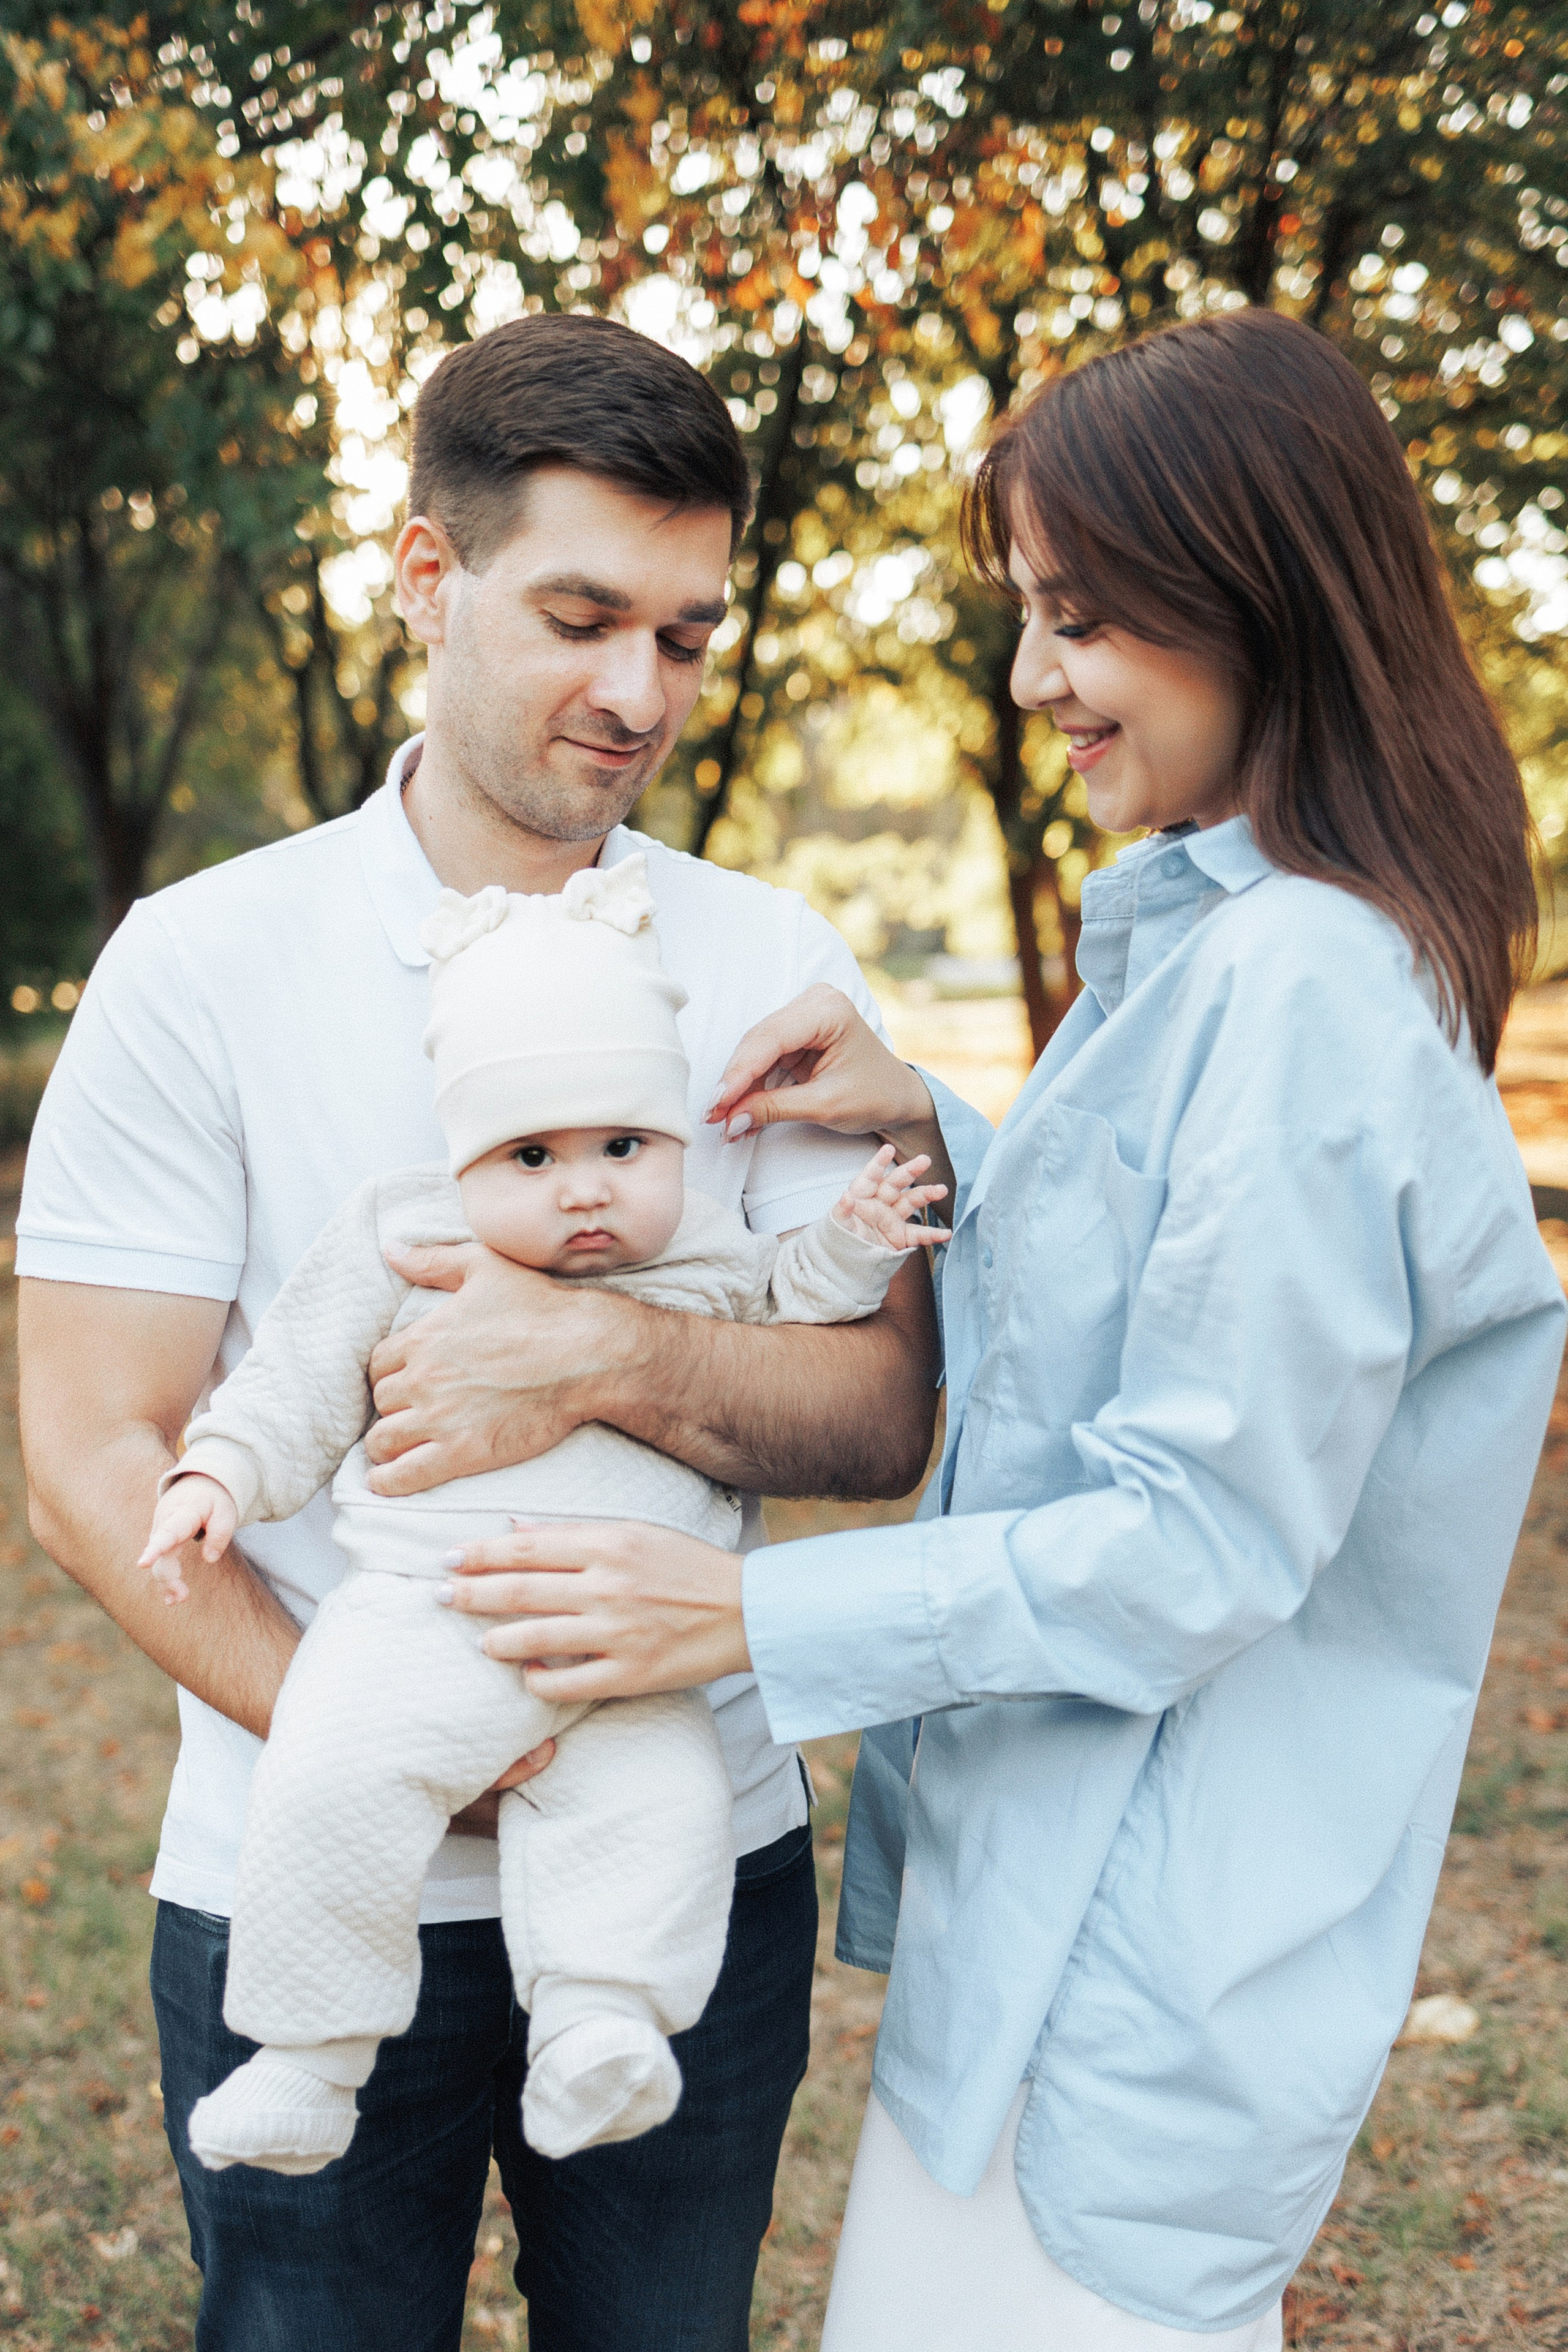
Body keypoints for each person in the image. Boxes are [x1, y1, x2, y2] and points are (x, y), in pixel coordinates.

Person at [426, 309, 1567, 2346]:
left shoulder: (1301, 986)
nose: (1036, 677)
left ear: (1264, 599)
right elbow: (1165, 1284)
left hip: (1133, 1998)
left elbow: (1199, 1537)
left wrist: (747, 1624)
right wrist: (929, 1118)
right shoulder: (1239, 945)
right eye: (1029, 615)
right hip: (1058, 1956)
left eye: (1083, 616)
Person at [17, 312, 956, 2351]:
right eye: (584, 616)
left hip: (689, 1853)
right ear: (428, 578)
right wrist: (407, 1747)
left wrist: (602, 1356)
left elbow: (881, 1407)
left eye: (688, 637)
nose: (640, 694)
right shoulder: (199, 967)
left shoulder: (766, 966)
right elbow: (103, 1459)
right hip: (312, 1855)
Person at [138, 854, 944, 2179]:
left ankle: (599, 2023)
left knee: (659, 1808)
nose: (584, 1189)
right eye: (532, 1155)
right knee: (329, 1780)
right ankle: (307, 2055)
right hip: (419, 1621)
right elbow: (292, 1378)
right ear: (466, 1155)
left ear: (674, 1146)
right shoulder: (400, 1234)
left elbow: (799, 1295)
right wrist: (218, 1474)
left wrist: (858, 1234)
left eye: (623, 1147)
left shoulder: (691, 1252)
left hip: (630, 1650)